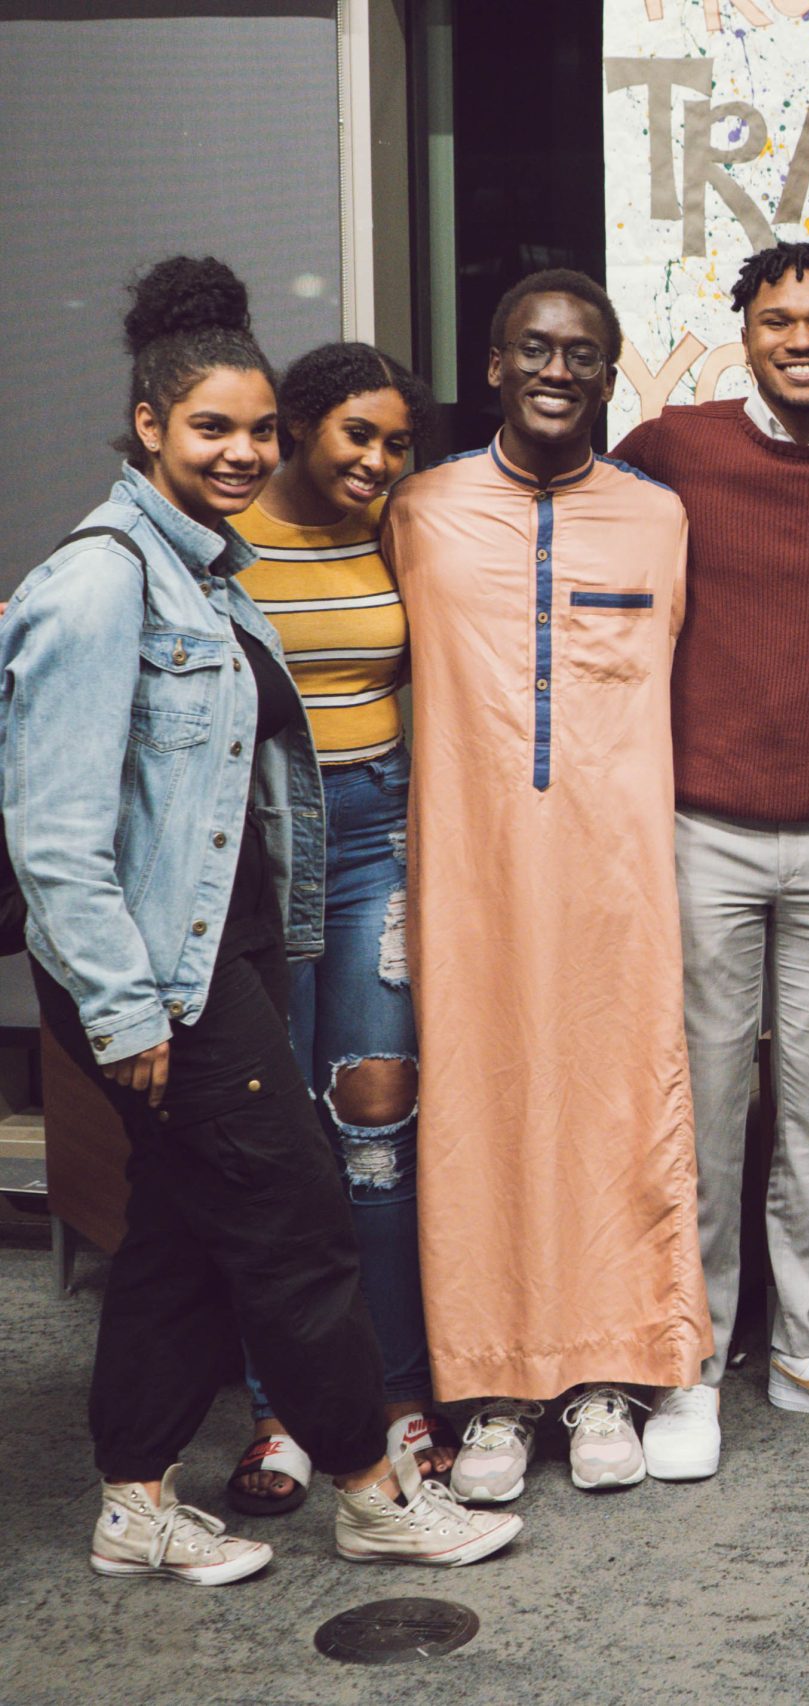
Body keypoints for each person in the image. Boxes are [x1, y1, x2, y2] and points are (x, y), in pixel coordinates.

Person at [0, 257, 518, 1580]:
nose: (240, 453)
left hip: (210, 956)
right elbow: (55, 831)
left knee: (179, 1225)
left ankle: (133, 1498)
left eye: (255, 431)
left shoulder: (205, 576)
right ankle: (374, 1490)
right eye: (210, 429)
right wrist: (123, 1009)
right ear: (150, 428)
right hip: (153, 980)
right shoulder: (102, 583)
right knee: (298, 1215)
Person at [384, 267, 713, 1502]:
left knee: (615, 1102)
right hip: (467, 871)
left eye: (582, 352)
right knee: (478, 1110)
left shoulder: (657, 518)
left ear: (611, 371)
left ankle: (607, 1377)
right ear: (493, 365)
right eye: (535, 348)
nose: (558, 369)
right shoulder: (419, 509)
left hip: (615, 878)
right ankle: (493, 1393)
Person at [613, 242, 809, 1480]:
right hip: (705, 828)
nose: (801, 337)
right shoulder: (671, 450)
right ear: (740, 330)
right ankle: (687, 1358)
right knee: (699, 1111)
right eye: (776, 318)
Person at [220, 340, 453, 1518]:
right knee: (280, 1147)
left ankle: (399, 1394)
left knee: (376, 1118)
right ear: (302, 425)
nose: (377, 458)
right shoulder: (220, 531)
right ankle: (285, 1409)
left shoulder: (397, 529)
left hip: (372, 839)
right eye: (357, 434)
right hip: (255, 852)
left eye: (397, 441)